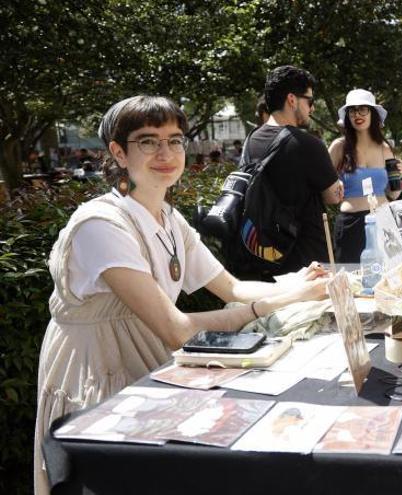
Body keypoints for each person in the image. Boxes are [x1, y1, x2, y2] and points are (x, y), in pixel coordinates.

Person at [33, 95, 332, 495]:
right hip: (100, 371)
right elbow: (177, 329)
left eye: (175, 140)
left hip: (151, 365)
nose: (166, 152)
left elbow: (232, 287)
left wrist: (298, 283)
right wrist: (282, 300)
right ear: (119, 153)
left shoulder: (169, 219)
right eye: (148, 141)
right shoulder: (100, 225)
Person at [243, 65, 343, 276]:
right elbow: (333, 196)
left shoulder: (251, 140)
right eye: (310, 101)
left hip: (264, 254)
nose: (312, 108)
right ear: (292, 99)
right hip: (307, 260)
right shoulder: (307, 143)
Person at [328, 89, 402, 263]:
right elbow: (324, 188)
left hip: (384, 223)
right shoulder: (339, 147)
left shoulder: (386, 148)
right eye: (352, 110)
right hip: (351, 225)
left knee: (390, 278)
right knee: (352, 281)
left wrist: (398, 176)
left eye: (363, 109)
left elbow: (393, 194)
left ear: (373, 113)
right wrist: (335, 186)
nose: (357, 114)